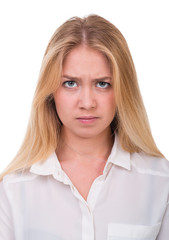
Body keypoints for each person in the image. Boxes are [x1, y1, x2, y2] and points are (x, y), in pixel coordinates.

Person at [0, 14, 168, 240]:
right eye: (70, 83)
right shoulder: (13, 190)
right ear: (50, 91)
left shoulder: (159, 181)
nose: (87, 103)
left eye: (102, 84)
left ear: (122, 89)